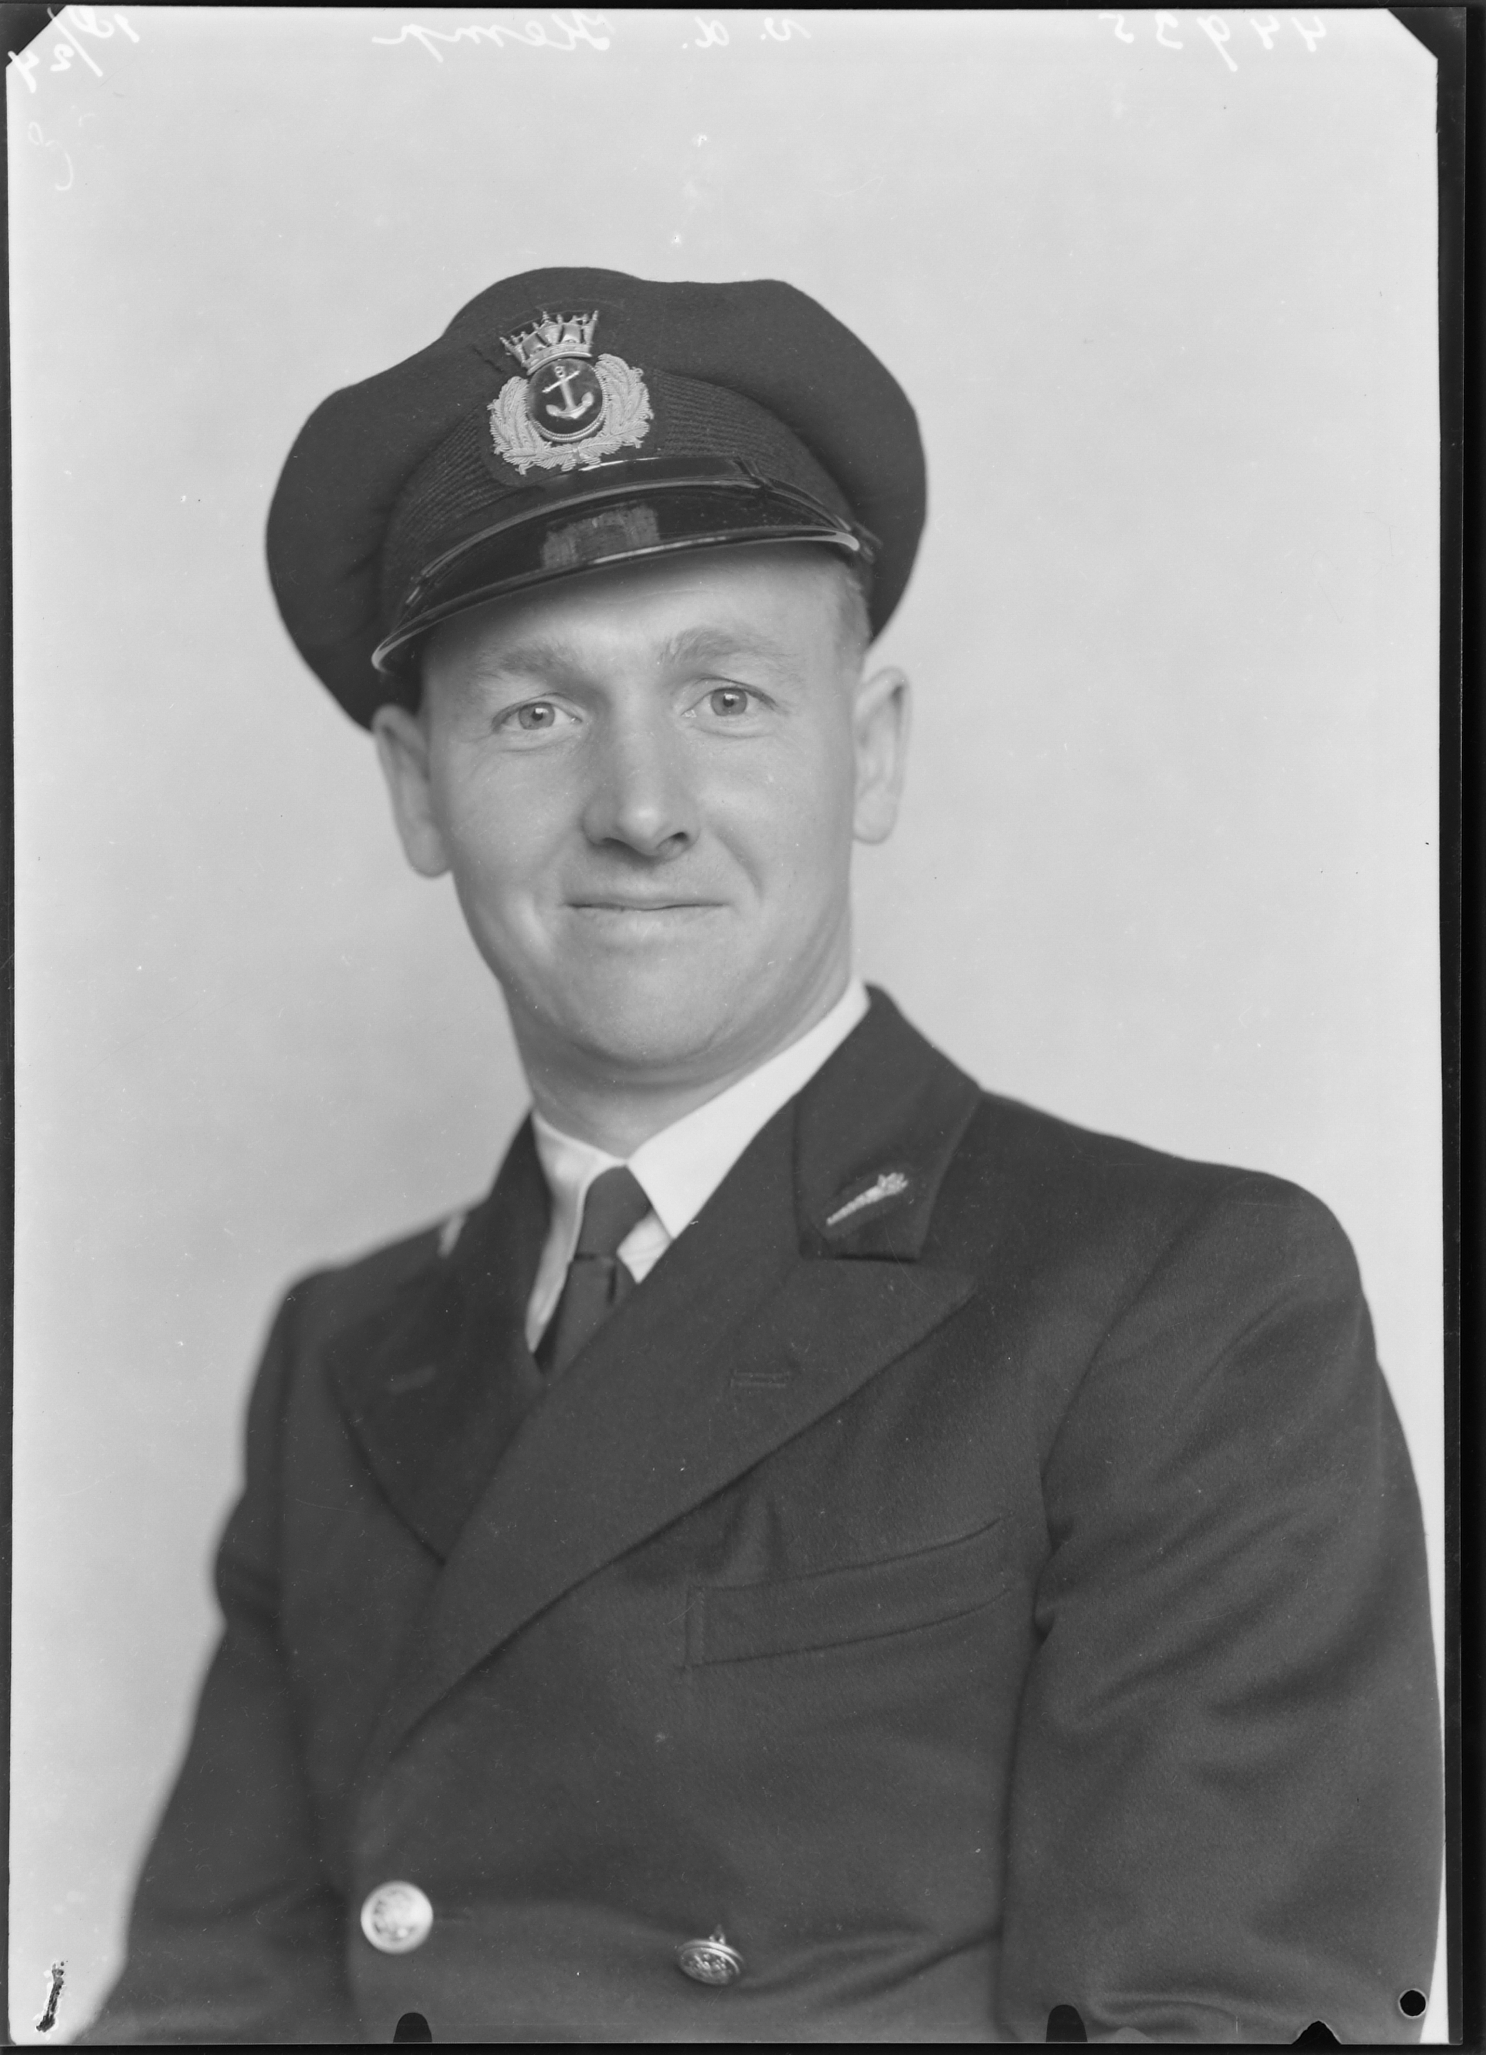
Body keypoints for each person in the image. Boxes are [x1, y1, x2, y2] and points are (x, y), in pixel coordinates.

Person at [87, 269, 1441, 2045]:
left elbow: (1219, 2014)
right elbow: (206, 2010)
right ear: (418, 791)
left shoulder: (1181, 1305)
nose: (639, 808)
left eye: (725, 698)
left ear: (865, 755)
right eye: (535, 713)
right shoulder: (340, 1356)